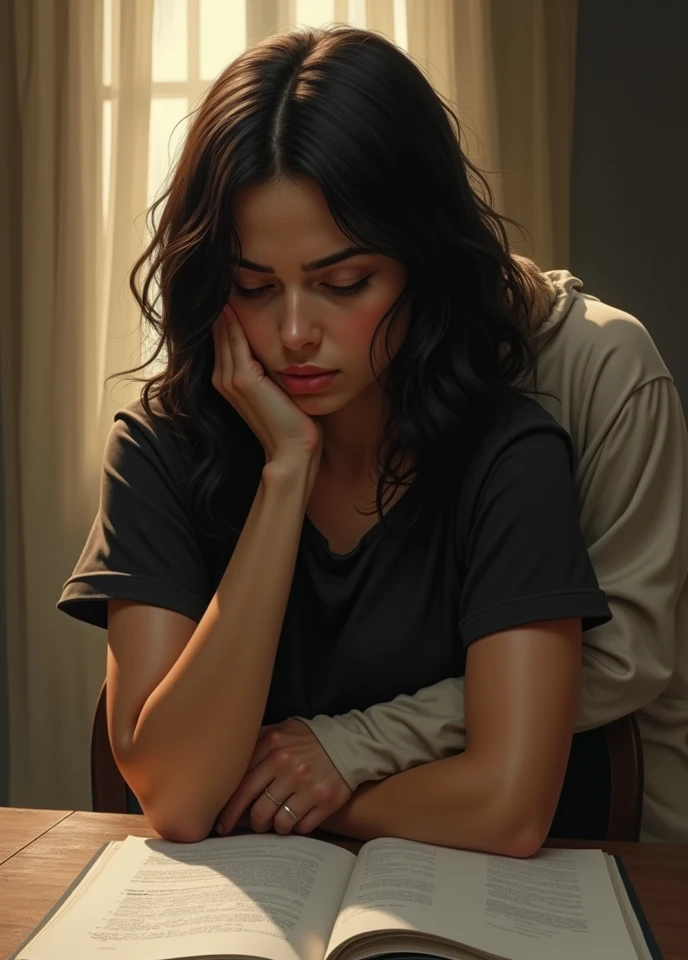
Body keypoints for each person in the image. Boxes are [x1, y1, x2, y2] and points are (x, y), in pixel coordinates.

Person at [54, 25, 668, 851]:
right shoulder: (160, 445)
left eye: (345, 283)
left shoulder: (511, 449)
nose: (297, 332)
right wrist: (286, 475)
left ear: (422, 264)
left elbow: (510, 806)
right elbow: (175, 796)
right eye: (254, 286)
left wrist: (301, 799)